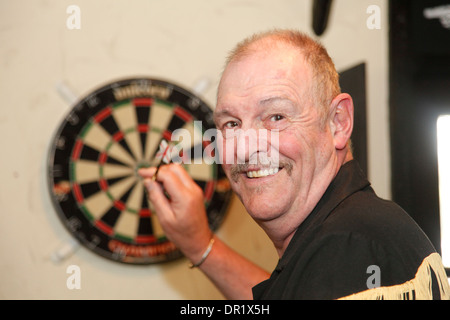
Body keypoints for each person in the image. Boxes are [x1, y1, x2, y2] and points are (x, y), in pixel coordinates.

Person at [139, 29, 450, 300]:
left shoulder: (349, 246)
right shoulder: (339, 234)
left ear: (337, 123)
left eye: (276, 117)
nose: (245, 148)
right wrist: (200, 245)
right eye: (231, 124)